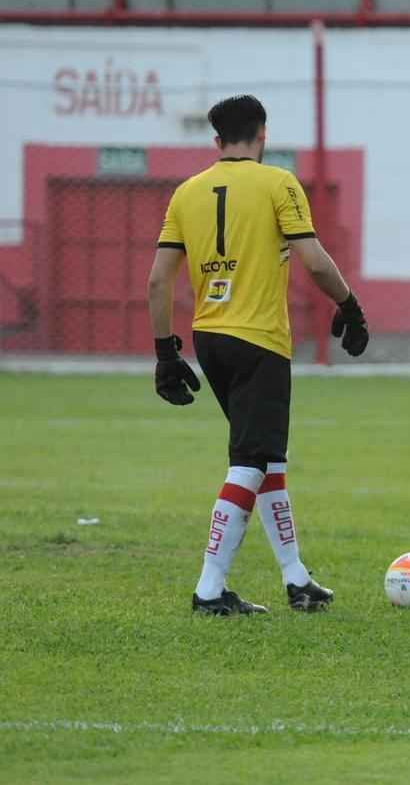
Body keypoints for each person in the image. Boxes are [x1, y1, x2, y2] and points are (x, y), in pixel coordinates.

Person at [147, 94, 369, 616]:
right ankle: (209, 589)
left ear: (216, 140)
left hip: (208, 339)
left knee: (267, 457)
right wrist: (350, 306)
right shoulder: (278, 183)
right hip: (259, 341)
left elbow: (159, 280)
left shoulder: (186, 192)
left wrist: (164, 353)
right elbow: (315, 261)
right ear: (263, 134)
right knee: (249, 462)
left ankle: (296, 578)